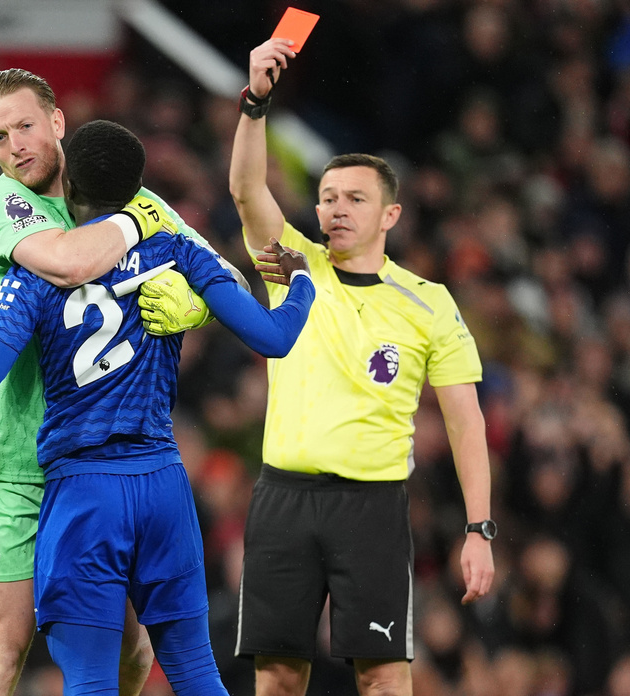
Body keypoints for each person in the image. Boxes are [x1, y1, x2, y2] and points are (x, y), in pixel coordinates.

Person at [0, 118, 315, 696]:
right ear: (139, 190)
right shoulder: (175, 247)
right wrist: (301, 282)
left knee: (90, 681)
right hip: (163, 487)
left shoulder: (33, 275)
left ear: (67, 183)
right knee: (197, 674)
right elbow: (274, 339)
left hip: (83, 494)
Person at [228, 39, 496, 696]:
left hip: (371, 507)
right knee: (280, 682)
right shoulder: (293, 267)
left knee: (383, 681)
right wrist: (256, 102)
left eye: (353, 198)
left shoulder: (428, 303)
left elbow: (465, 423)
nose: (336, 209)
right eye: (326, 197)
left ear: (390, 215)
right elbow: (243, 190)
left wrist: (479, 528)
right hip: (282, 499)